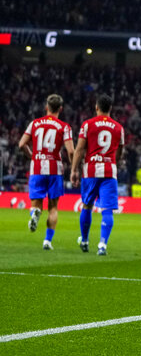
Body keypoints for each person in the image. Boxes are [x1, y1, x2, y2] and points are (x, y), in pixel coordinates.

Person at [70, 94, 125, 257]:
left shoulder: (88, 125)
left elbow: (79, 149)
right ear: (111, 108)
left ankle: (85, 241)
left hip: (91, 171)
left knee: (87, 205)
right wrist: (114, 161)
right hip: (109, 171)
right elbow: (120, 151)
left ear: (96, 107)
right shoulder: (118, 128)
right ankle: (102, 244)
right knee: (107, 209)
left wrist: (74, 169)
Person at [18, 94, 75, 250]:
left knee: (36, 204)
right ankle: (47, 241)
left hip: (37, 167)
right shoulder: (64, 127)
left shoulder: (34, 124)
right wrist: (75, 167)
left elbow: (21, 144)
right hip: (55, 169)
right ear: (60, 109)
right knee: (53, 207)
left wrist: (33, 157)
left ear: (46, 107)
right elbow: (71, 151)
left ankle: (35, 213)